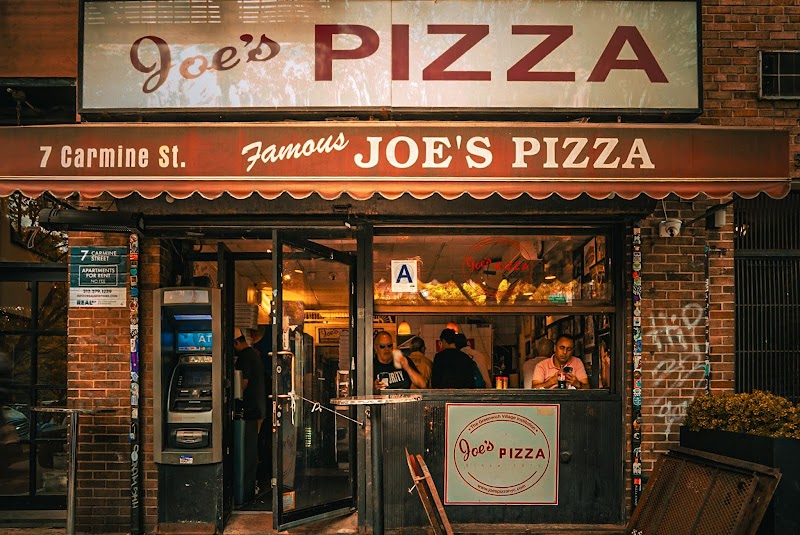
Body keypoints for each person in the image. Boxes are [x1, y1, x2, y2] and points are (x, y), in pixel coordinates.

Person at [234, 328, 267, 420]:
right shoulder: (253, 353)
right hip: (258, 406)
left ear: (236, 343)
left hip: (250, 407)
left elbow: (243, 382)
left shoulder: (244, 356)